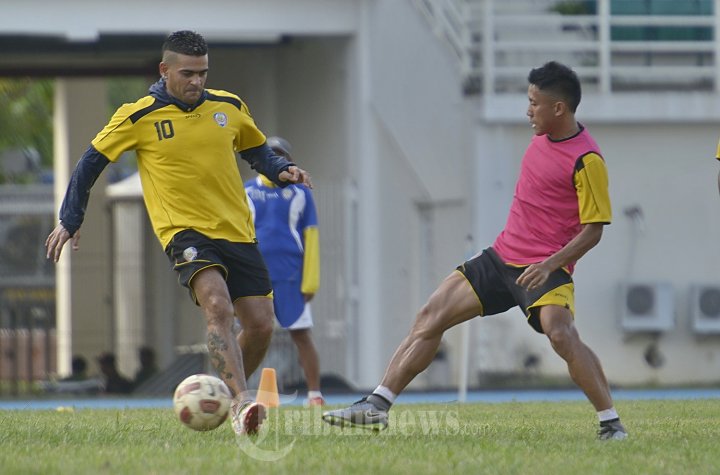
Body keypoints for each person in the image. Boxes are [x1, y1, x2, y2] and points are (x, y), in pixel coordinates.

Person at [322, 61, 628, 441]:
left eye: (534, 103)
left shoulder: (587, 160)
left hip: (545, 269)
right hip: (500, 258)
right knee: (430, 316)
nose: (528, 111)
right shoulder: (541, 139)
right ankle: (376, 405)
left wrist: (550, 264)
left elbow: (594, 230)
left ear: (559, 108)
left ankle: (611, 423)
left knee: (561, 334)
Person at [45, 31, 312, 435]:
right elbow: (90, 162)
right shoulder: (139, 115)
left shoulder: (229, 106)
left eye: (202, 73)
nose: (196, 81)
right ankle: (242, 403)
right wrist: (71, 217)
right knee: (217, 306)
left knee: (260, 325)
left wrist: (280, 169)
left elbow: (255, 149)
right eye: (187, 73)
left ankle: (218, 395)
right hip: (185, 233)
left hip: (237, 230)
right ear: (164, 70)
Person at [245, 136, 325, 406]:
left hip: (291, 275)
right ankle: (236, 392)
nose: (276, 160)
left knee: (301, 334)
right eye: (271, 155)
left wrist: (310, 281)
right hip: (255, 276)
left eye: (281, 155)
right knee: (248, 332)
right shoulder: (247, 192)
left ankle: (315, 394)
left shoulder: (301, 193)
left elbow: (311, 236)